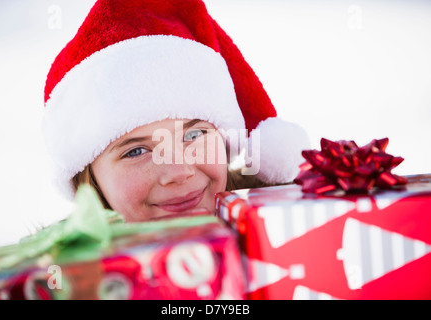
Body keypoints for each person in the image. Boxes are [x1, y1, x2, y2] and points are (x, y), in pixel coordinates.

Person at [42, 0, 310, 222]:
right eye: (136, 151)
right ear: (89, 183)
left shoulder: (296, 221)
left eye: (193, 135)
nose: (179, 171)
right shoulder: (58, 280)